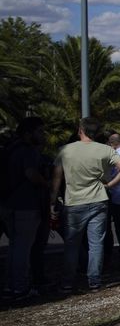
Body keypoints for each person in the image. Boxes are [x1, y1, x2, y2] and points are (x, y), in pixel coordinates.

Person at [51, 117, 120, 292]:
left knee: (72, 244)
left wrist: (53, 200)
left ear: (80, 130)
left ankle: (67, 282)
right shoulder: (105, 150)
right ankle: (94, 280)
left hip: (73, 202)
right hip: (98, 199)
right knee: (96, 243)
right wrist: (110, 185)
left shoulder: (65, 150)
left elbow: (57, 178)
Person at [2, 117, 48, 300]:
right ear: (28, 133)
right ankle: (20, 287)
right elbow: (31, 174)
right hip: (25, 205)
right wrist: (46, 183)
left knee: (14, 246)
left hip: (8, 203)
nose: (43, 135)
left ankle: (10, 285)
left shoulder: (9, 149)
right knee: (23, 247)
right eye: (40, 131)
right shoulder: (28, 151)